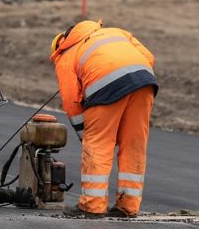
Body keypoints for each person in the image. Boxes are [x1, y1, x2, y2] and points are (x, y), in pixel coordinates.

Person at [50, 20, 158, 218]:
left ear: (61, 44)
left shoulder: (65, 55)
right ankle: (128, 206)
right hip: (144, 82)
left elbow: (72, 101)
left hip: (104, 85)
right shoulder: (116, 32)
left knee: (98, 145)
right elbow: (149, 57)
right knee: (134, 145)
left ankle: (92, 206)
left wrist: (85, 135)